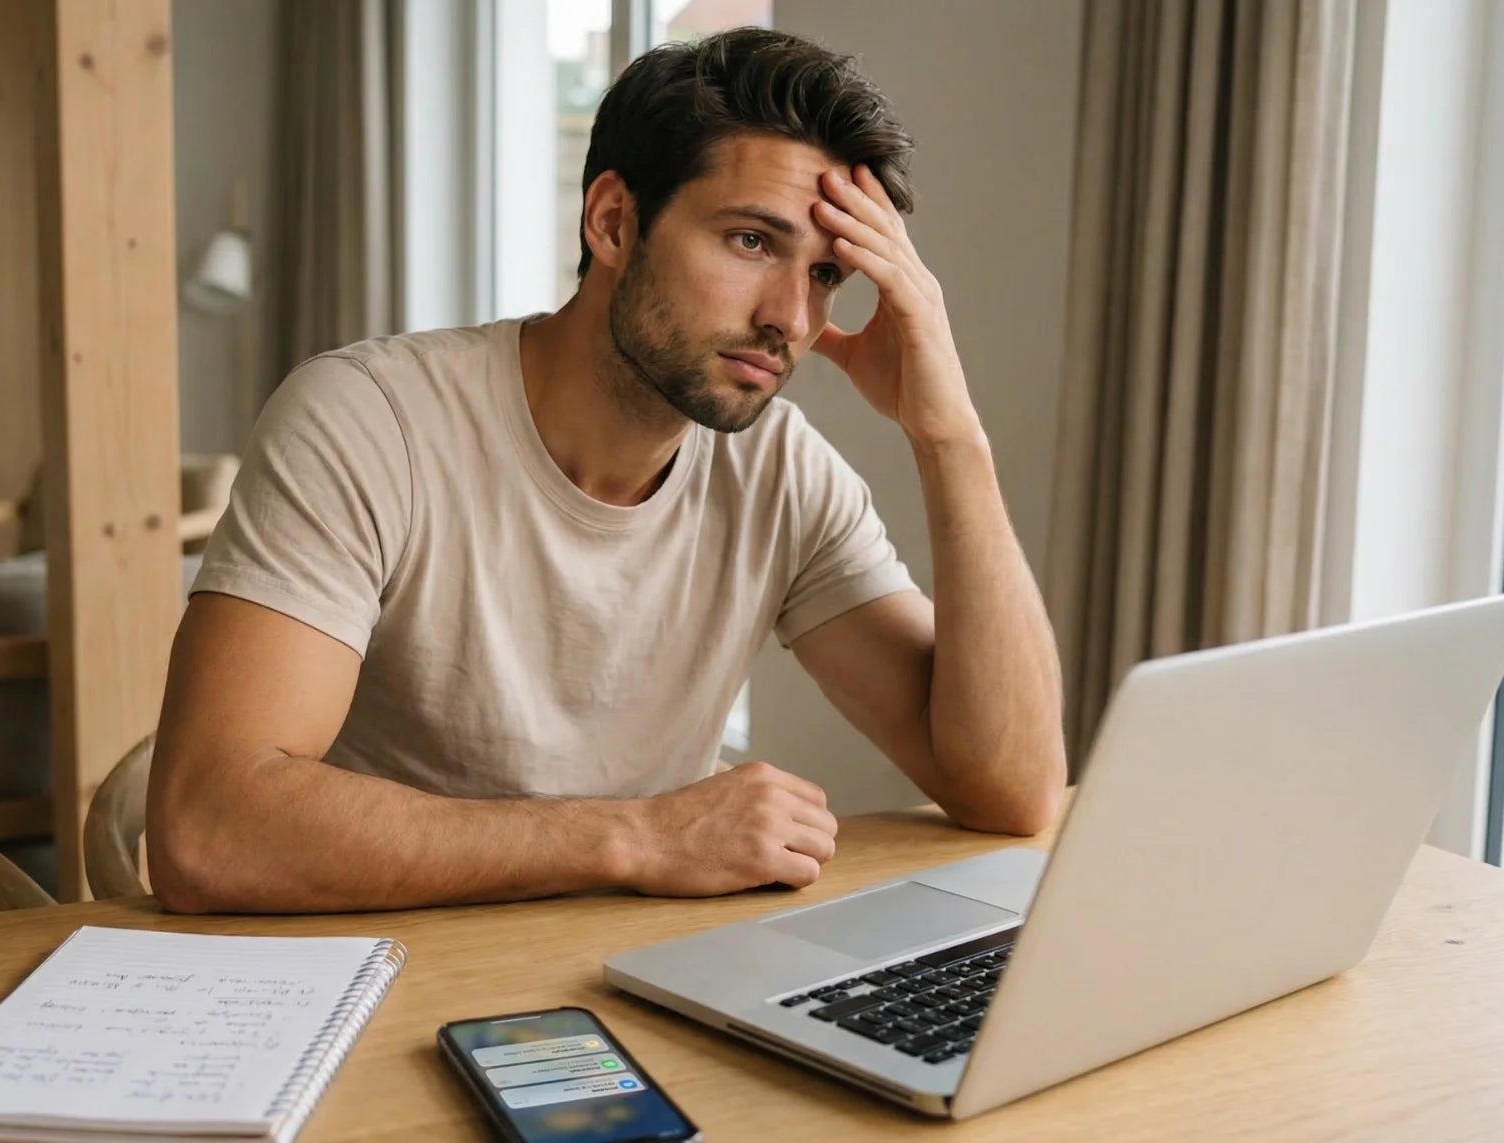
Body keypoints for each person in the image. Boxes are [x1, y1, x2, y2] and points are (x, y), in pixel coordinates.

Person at [149, 28, 1064, 914]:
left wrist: (950, 436)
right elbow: (208, 828)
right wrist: (641, 838)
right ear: (614, 221)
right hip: (365, 976)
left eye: (826, 274)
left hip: (619, 979)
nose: (792, 315)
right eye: (752, 241)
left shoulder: (782, 475)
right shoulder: (366, 420)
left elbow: (1012, 791)